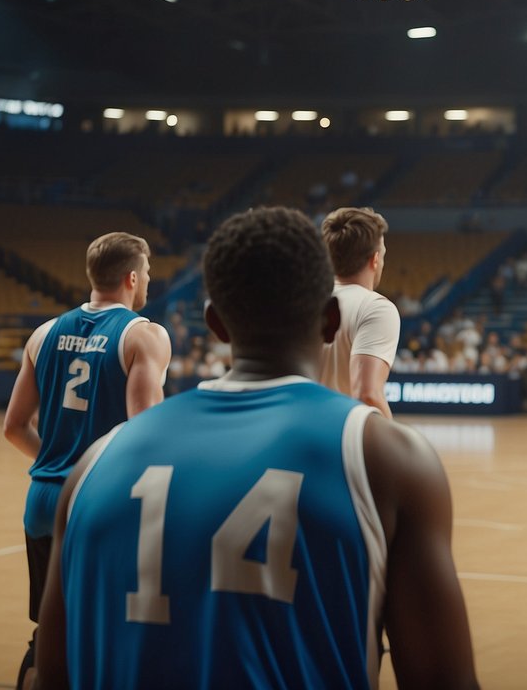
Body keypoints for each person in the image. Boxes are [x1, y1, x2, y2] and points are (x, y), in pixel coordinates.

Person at [29, 207, 477, 689]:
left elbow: (51, 675)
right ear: (330, 320)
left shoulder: (94, 466)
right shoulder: (390, 461)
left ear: (215, 325)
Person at [3, 231, 172, 690]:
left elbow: (13, 427)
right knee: (105, 631)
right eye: (149, 275)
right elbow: (146, 432)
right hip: (101, 502)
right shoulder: (145, 335)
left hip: (41, 499)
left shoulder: (43, 333)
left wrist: (60, 462)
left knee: (47, 635)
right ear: (132, 277)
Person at [319, 206, 398, 419]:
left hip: (296, 438)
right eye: (382, 254)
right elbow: (367, 394)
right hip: (340, 438)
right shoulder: (376, 308)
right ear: (374, 259)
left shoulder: (302, 302)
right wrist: (396, 447)